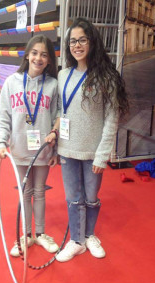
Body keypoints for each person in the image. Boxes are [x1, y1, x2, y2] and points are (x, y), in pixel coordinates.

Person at [55, 18, 129, 262]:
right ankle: (76, 240)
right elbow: (60, 111)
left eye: (82, 40)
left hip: (92, 152)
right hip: (67, 149)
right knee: (72, 197)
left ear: (92, 42)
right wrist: (54, 137)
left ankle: (89, 235)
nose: (76, 45)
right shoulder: (63, 74)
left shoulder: (106, 77)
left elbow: (111, 119)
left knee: (91, 197)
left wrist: (102, 153)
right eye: (72, 41)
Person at [0, 34, 60, 257]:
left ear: (50, 59)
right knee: (26, 192)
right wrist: (1, 141)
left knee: (40, 191)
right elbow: (3, 115)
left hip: (42, 149)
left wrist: (56, 150)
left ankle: (40, 234)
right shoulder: (11, 82)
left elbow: (57, 118)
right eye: (34, 53)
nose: (38, 58)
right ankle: (27, 234)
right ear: (27, 55)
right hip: (20, 148)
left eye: (44, 55)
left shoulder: (53, 85)